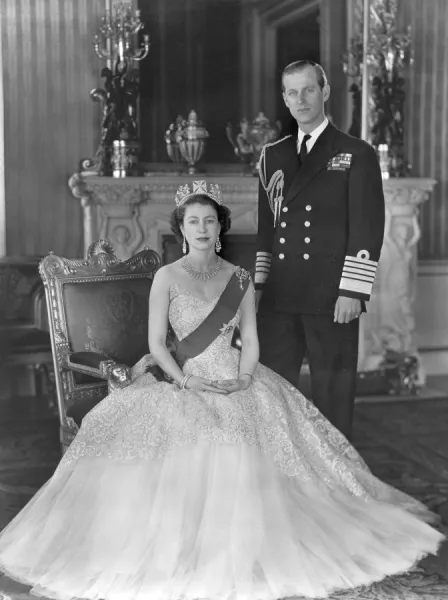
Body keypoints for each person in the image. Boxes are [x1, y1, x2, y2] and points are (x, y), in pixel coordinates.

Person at [0, 180, 443, 600]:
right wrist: (187, 380)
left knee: (266, 441)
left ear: (219, 227)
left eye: (209, 220)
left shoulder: (240, 278)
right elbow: (156, 344)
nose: (201, 228)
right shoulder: (166, 278)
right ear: (181, 227)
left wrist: (245, 379)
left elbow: (249, 341)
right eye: (192, 221)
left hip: (236, 377)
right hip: (185, 377)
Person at [255, 60, 385, 441]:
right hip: (281, 293)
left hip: (332, 295)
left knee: (333, 396)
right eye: (292, 92)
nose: (301, 99)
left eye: (309, 89)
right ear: (284, 98)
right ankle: (282, 471)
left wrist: (354, 291)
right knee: (273, 390)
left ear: (325, 91)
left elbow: (367, 227)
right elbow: (267, 229)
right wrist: (260, 286)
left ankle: (337, 475)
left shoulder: (355, 152)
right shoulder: (272, 155)